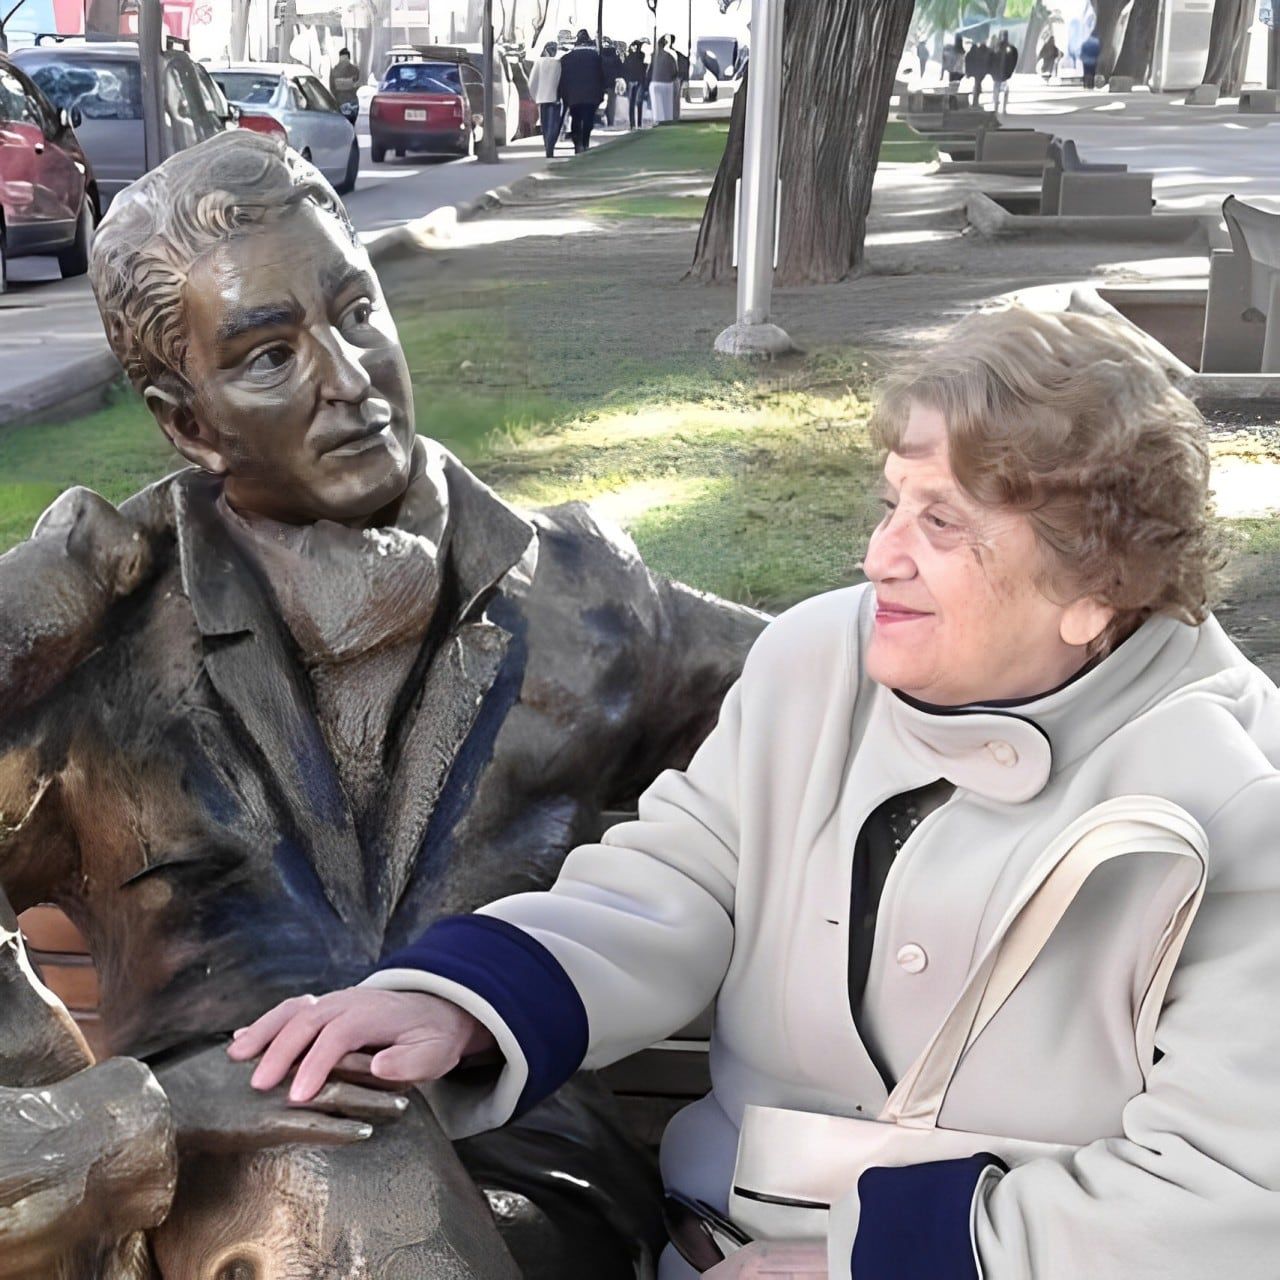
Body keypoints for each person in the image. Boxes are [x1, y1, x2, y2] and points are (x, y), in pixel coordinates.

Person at [237, 305, 1280, 1280]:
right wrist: (460, 1001)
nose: (879, 557)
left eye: (943, 523)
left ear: (1099, 583)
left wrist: (858, 1263)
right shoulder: (818, 660)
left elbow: (1230, 1191)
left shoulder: (1239, 799)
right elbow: (681, 877)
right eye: (891, 503)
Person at [0, 130, 763, 1277]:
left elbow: (850, 695)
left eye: (355, 312)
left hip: (528, 1185)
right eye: (269, 354)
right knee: (341, 1167)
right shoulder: (98, 634)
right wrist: (117, 1112)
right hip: (210, 1194)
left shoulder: (582, 595)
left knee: (372, 1164)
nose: (350, 379)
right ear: (184, 418)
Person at [558, 28, 607, 151]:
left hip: (573, 96)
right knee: (588, 120)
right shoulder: (595, 57)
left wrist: (563, 95)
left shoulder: (566, 59)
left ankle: (577, 144)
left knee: (576, 119)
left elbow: (563, 79)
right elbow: (601, 76)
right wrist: (601, 94)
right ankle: (585, 142)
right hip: (591, 95)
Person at [529, 39, 562, 157]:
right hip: (555, 98)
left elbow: (532, 82)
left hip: (542, 98)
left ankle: (547, 145)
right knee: (553, 124)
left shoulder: (539, 62)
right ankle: (550, 145)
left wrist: (534, 96)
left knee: (545, 124)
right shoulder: (558, 63)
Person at [649, 33, 678, 124]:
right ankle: (667, 122)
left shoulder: (653, 56)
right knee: (667, 107)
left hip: (655, 82)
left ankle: (658, 121)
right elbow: (675, 71)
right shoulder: (670, 56)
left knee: (657, 108)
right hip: (667, 83)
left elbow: (649, 70)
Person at [623, 38, 648, 127]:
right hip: (638, 80)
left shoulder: (630, 56)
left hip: (632, 80)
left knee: (632, 103)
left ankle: (632, 124)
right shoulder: (640, 55)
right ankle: (638, 123)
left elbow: (625, 68)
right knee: (638, 102)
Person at [601, 37, 625, 126]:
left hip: (601, 82)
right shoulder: (615, 57)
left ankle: (600, 118)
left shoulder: (600, 56)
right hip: (612, 83)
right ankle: (610, 122)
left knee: (600, 101)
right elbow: (621, 70)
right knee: (611, 104)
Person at [992, 30, 1018, 112]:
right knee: (1001, 88)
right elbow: (1014, 57)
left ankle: (998, 105)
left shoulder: (999, 47)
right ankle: (999, 105)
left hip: (1001, 72)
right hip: (1002, 72)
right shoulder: (1007, 47)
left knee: (999, 87)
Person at [328, 45, 360, 111]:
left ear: (348, 59)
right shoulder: (334, 70)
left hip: (350, 101)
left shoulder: (355, 70)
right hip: (340, 101)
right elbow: (332, 87)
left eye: (345, 58)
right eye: (342, 58)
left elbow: (357, 85)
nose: (343, 60)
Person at [966, 35, 991, 107]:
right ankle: (975, 102)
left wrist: (968, 72)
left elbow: (968, 61)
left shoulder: (976, 50)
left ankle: (975, 101)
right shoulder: (984, 50)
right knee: (977, 86)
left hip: (977, 71)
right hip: (980, 72)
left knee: (977, 85)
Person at [670, 35, 690, 120]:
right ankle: (674, 116)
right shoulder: (679, 55)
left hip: (675, 78)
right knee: (675, 100)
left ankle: (674, 116)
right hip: (677, 77)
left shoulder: (676, 54)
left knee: (674, 99)